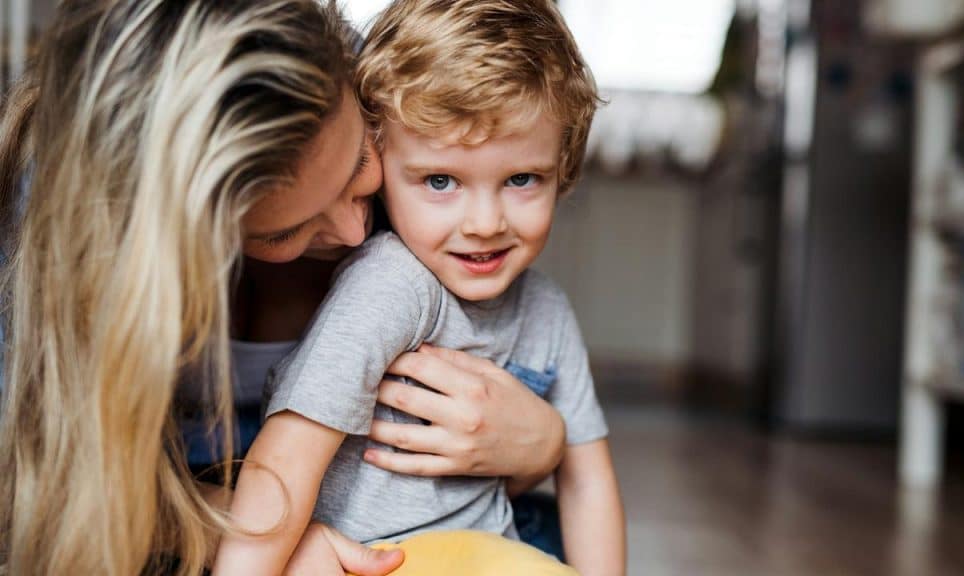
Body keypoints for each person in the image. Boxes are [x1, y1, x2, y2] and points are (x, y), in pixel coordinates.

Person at [0, 1, 567, 574]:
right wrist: (246, 528)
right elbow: (43, 492)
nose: (354, 231)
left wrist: (543, 445)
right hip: (157, 502)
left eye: (357, 165)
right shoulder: (52, 241)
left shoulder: (393, 109)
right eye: (287, 230)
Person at [213, 1, 626, 575]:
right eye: (440, 180)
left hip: (483, 551)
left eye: (522, 179)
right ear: (385, 155)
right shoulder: (390, 285)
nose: (485, 222)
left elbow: (588, 478)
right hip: (363, 557)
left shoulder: (547, 309)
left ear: (564, 168)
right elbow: (284, 461)